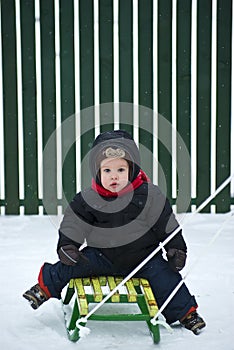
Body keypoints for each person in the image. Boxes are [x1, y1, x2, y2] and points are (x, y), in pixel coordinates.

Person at [23, 129, 206, 335]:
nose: (114, 177)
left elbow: (168, 226)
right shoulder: (88, 199)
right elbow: (73, 224)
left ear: (133, 170)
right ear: (97, 172)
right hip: (101, 256)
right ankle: (44, 288)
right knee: (70, 266)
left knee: (167, 279)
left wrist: (176, 249)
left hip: (144, 259)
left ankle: (187, 313)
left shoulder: (149, 195)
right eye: (107, 171)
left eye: (121, 170)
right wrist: (68, 245)